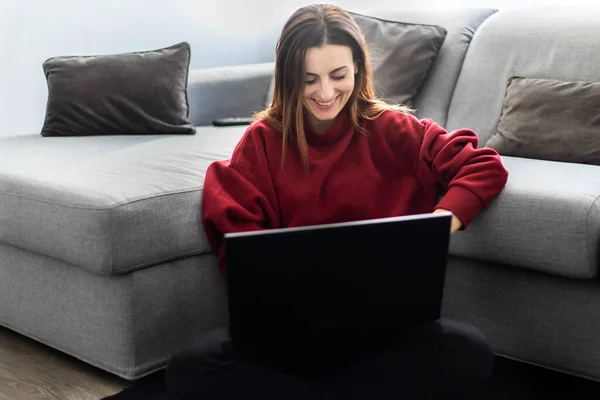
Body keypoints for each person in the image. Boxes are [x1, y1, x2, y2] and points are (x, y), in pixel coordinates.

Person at [165, 4, 508, 400]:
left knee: (470, 352)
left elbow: (484, 166)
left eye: (338, 75)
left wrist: (436, 226)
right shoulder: (262, 141)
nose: (326, 93)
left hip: (387, 330)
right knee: (190, 367)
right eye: (309, 79)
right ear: (288, 78)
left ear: (358, 69)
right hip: (290, 336)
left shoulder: (396, 129)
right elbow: (236, 233)